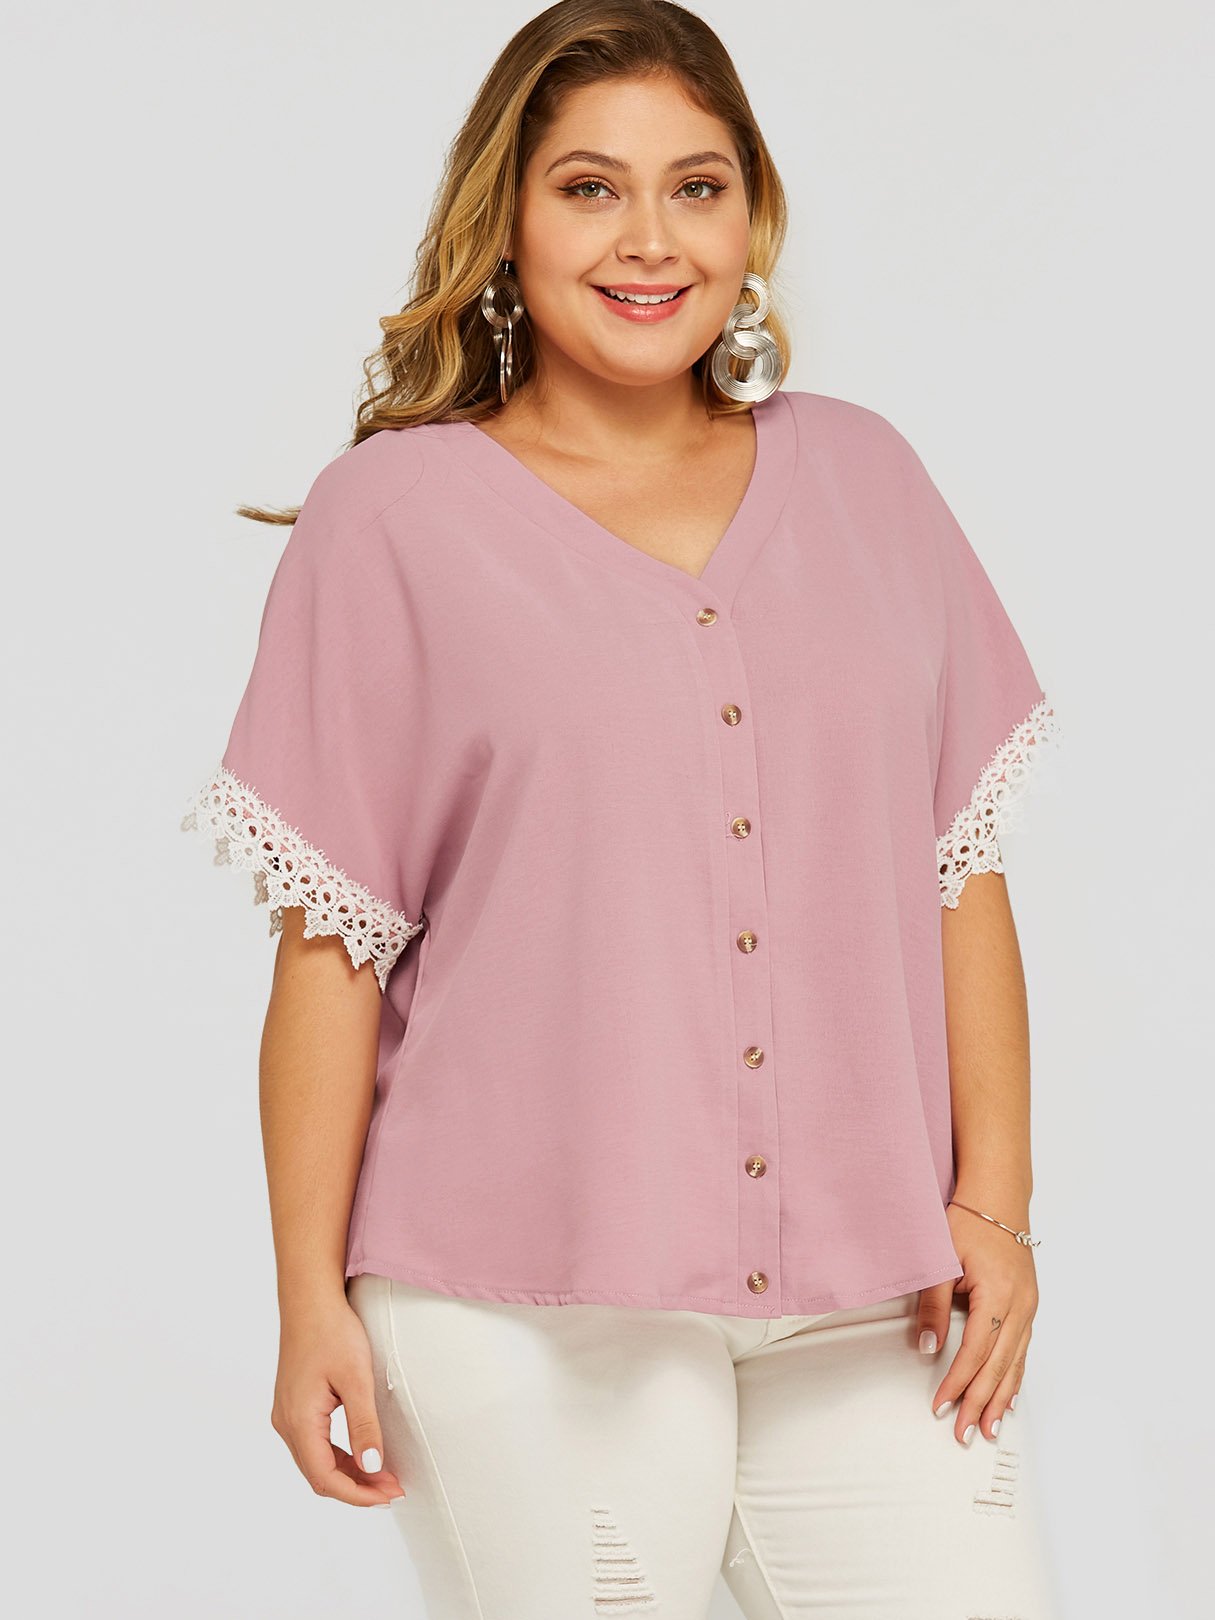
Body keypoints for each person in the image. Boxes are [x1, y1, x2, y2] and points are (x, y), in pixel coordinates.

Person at [181, 3, 1064, 1615]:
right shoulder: (393, 518)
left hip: (879, 1296)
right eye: (590, 188)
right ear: (508, 223)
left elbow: (959, 868)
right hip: (521, 1301)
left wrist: (994, 1206)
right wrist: (309, 1296)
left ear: (752, 219)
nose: (650, 239)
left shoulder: (868, 479)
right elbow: (333, 949)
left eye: (696, 187)